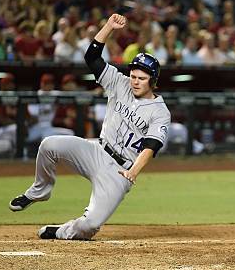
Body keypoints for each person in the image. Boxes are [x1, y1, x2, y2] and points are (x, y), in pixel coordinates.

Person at [9, 14, 171, 240]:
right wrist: (108, 27)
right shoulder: (119, 82)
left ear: (153, 81)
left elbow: (150, 147)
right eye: (133, 75)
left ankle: (60, 231)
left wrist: (133, 172)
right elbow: (92, 56)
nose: (134, 81)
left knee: (89, 227)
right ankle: (40, 191)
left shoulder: (160, 111)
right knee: (49, 145)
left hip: (119, 171)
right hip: (95, 150)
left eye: (141, 78)